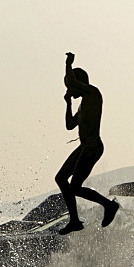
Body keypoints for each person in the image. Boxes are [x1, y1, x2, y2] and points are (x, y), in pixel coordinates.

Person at [55, 52, 119, 235]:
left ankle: (109, 205)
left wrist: (68, 64)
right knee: (60, 178)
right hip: (84, 146)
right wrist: (67, 103)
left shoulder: (93, 94)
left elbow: (75, 83)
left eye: (70, 87)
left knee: (75, 187)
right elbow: (69, 125)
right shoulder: (82, 105)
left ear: (79, 83)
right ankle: (74, 220)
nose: (69, 90)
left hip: (92, 147)